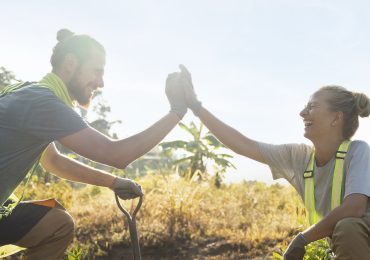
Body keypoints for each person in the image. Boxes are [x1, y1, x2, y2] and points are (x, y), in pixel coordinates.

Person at [0, 29, 187, 260]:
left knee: (57, 225)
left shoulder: (27, 93)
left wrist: (113, 182)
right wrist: (177, 111)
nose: (101, 82)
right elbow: (115, 154)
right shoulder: (41, 103)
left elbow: (54, 161)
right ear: (70, 63)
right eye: (97, 71)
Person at [168, 65, 370, 259]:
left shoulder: (357, 151)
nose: (302, 113)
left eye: (312, 106)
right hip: (346, 250)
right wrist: (195, 106)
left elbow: (355, 208)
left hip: (360, 241)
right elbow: (242, 144)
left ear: (336, 118)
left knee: (348, 227)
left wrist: (302, 239)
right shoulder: (299, 157)